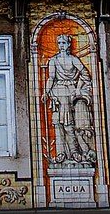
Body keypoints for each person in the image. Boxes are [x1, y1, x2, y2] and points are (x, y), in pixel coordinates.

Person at [43, 34, 94, 163]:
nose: (61, 46)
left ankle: (74, 152)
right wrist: (46, 92)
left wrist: (78, 88)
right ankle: (61, 153)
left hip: (70, 91)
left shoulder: (73, 59)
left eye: (64, 43)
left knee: (69, 125)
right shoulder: (53, 60)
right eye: (59, 43)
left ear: (68, 44)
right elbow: (51, 78)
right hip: (58, 92)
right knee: (58, 125)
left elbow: (85, 74)